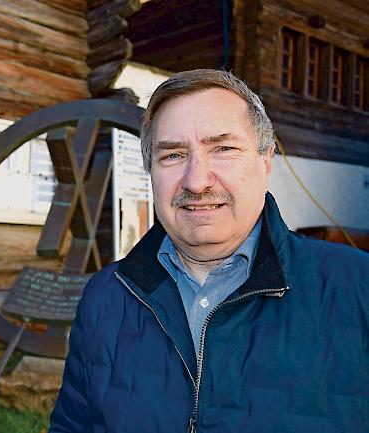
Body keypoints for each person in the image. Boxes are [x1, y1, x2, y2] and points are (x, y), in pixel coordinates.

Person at [49, 69, 369, 433]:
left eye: (223, 149)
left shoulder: (358, 288)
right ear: (150, 170)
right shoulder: (105, 297)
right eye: (172, 155)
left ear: (266, 160)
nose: (196, 181)